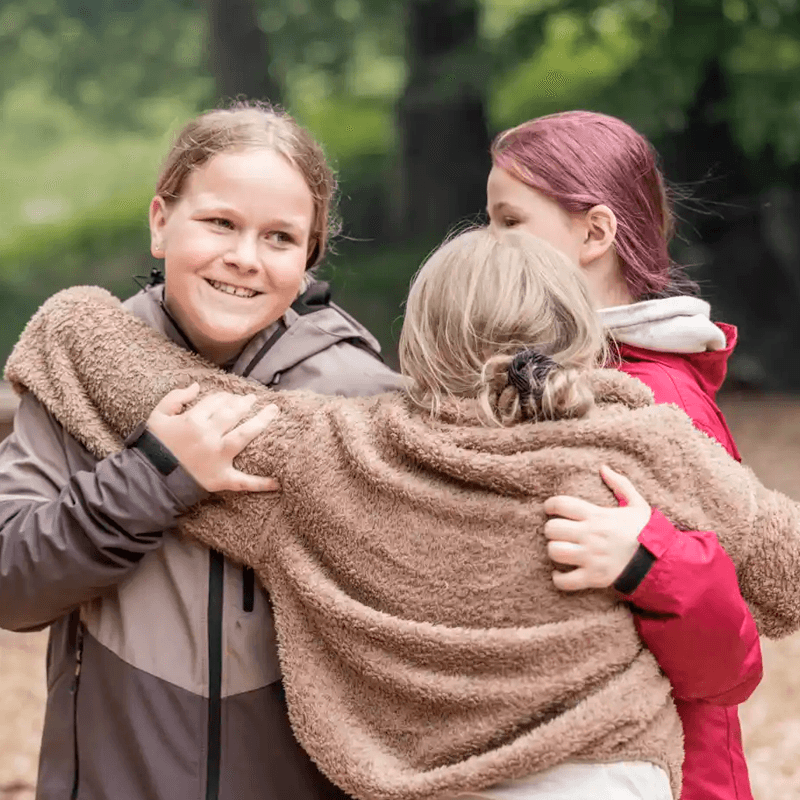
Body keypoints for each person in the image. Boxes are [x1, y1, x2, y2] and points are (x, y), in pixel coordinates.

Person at [7, 230, 800, 800]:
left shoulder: (343, 456)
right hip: (604, 778)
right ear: (582, 338)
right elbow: (785, 571)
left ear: (416, 344)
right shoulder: (644, 444)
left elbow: (130, 373)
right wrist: (656, 545)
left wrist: (72, 313)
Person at [0, 101, 404, 800]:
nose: (244, 258)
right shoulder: (77, 373)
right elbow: (10, 582)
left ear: (307, 258)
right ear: (162, 221)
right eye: (220, 223)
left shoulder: (365, 401)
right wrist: (156, 475)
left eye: (279, 238)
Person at [486, 110, 761, 800]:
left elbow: (731, 663)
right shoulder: (522, 381)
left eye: (509, 222)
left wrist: (643, 560)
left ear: (595, 233)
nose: (487, 245)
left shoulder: (663, 398)